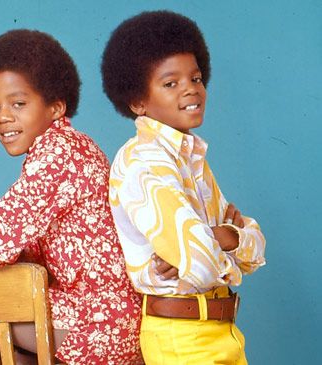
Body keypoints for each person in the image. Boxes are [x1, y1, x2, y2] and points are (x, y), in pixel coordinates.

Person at [101, 10, 266, 364]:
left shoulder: (192, 158)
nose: (191, 89)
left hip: (222, 332)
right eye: (170, 83)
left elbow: (253, 245)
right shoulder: (142, 161)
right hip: (182, 338)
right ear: (137, 101)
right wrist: (224, 237)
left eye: (196, 78)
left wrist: (221, 237)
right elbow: (203, 260)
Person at [0, 29, 143, 364]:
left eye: (18, 103)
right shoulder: (69, 145)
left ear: (56, 107)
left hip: (99, 320)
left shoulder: (58, 154)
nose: (2, 117)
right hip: (107, 313)